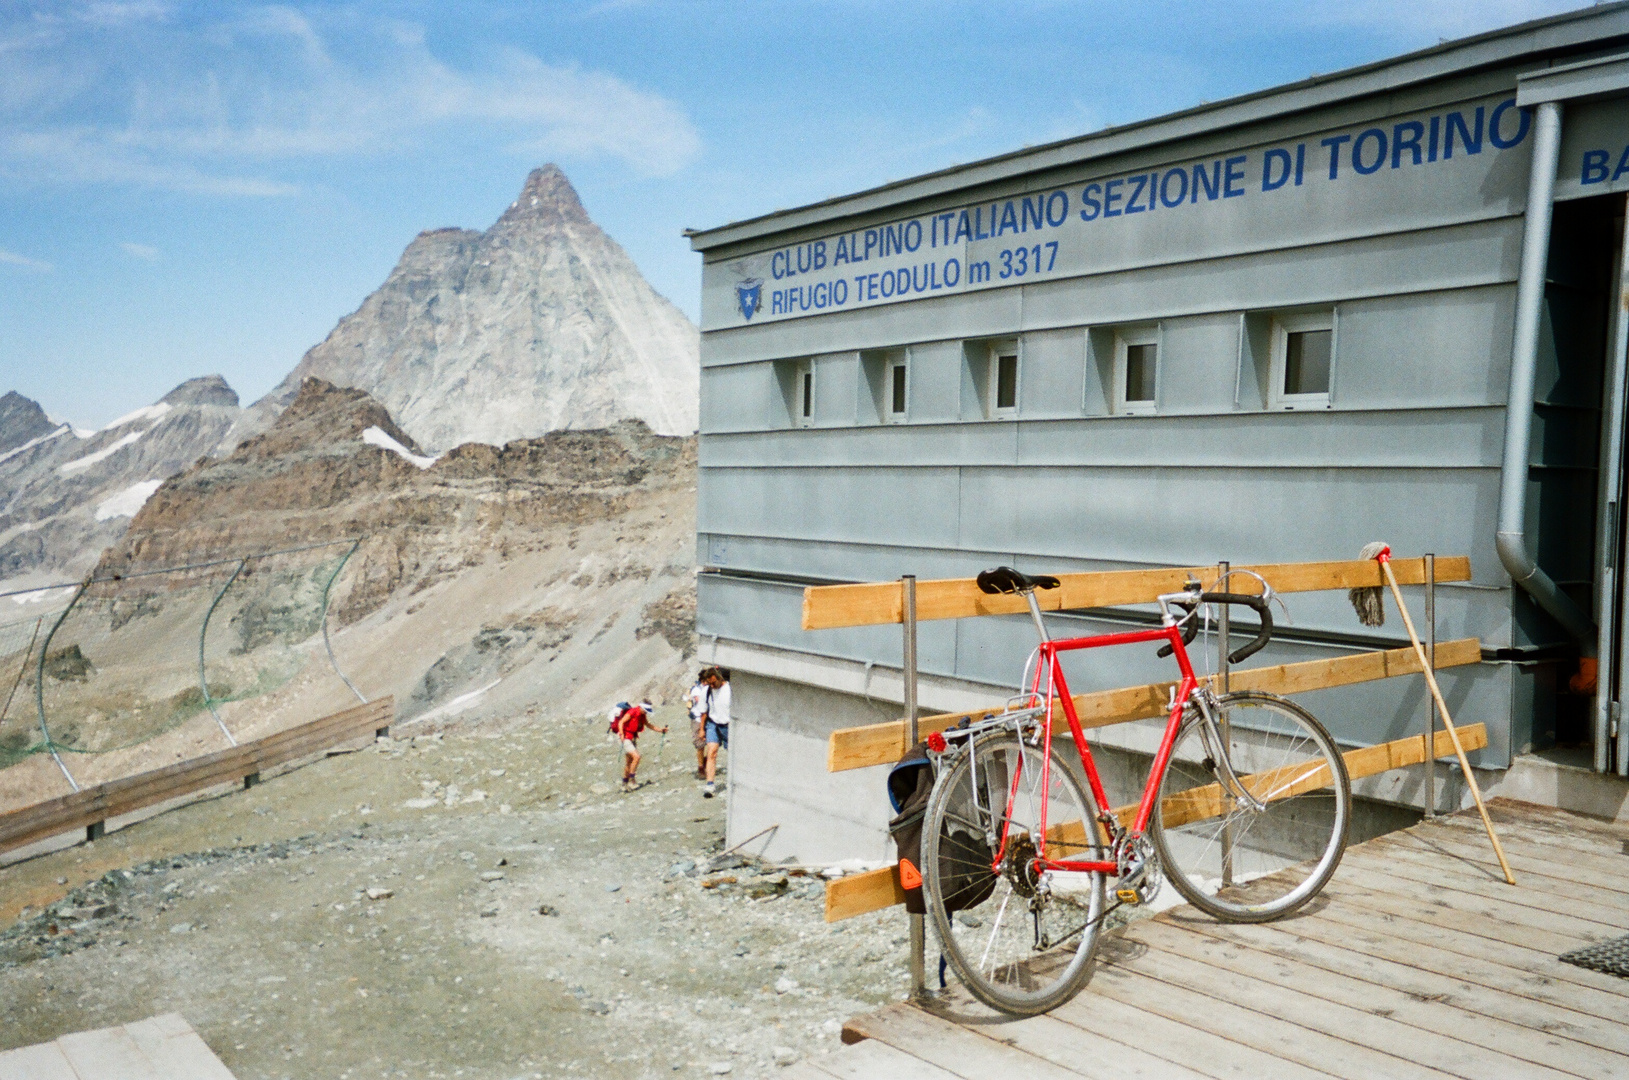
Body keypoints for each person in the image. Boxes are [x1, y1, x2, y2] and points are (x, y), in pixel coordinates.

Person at [608, 700, 666, 792]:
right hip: (625, 737)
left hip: (632, 737)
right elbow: (621, 722)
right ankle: (632, 780)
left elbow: (648, 725)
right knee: (637, 756)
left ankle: (624, 783)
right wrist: (622, 734)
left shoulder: (642, 715)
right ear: (641, 707)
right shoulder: (632, 712)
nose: (646, 712)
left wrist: (660, 730)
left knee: (629, 761)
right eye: (646, 710)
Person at [701, 667, 731, 799]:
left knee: (732, 753)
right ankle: (710, 784)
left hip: (728, 725)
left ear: (720, 679)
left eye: (714, 683)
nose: (712, 686)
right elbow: (704, 711)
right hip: (713, 724)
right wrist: (702, 729)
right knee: (711, 751)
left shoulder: (730, 689)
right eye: (709, 683)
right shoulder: (706, 691)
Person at [686, 669, 711, 780]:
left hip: (708, 719)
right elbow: (701, 703)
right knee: (700, 745)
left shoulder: (709, 688)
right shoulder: (697, 690)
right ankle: (701, 768)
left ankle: (706, 763)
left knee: (711, 743)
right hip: (697, 719)